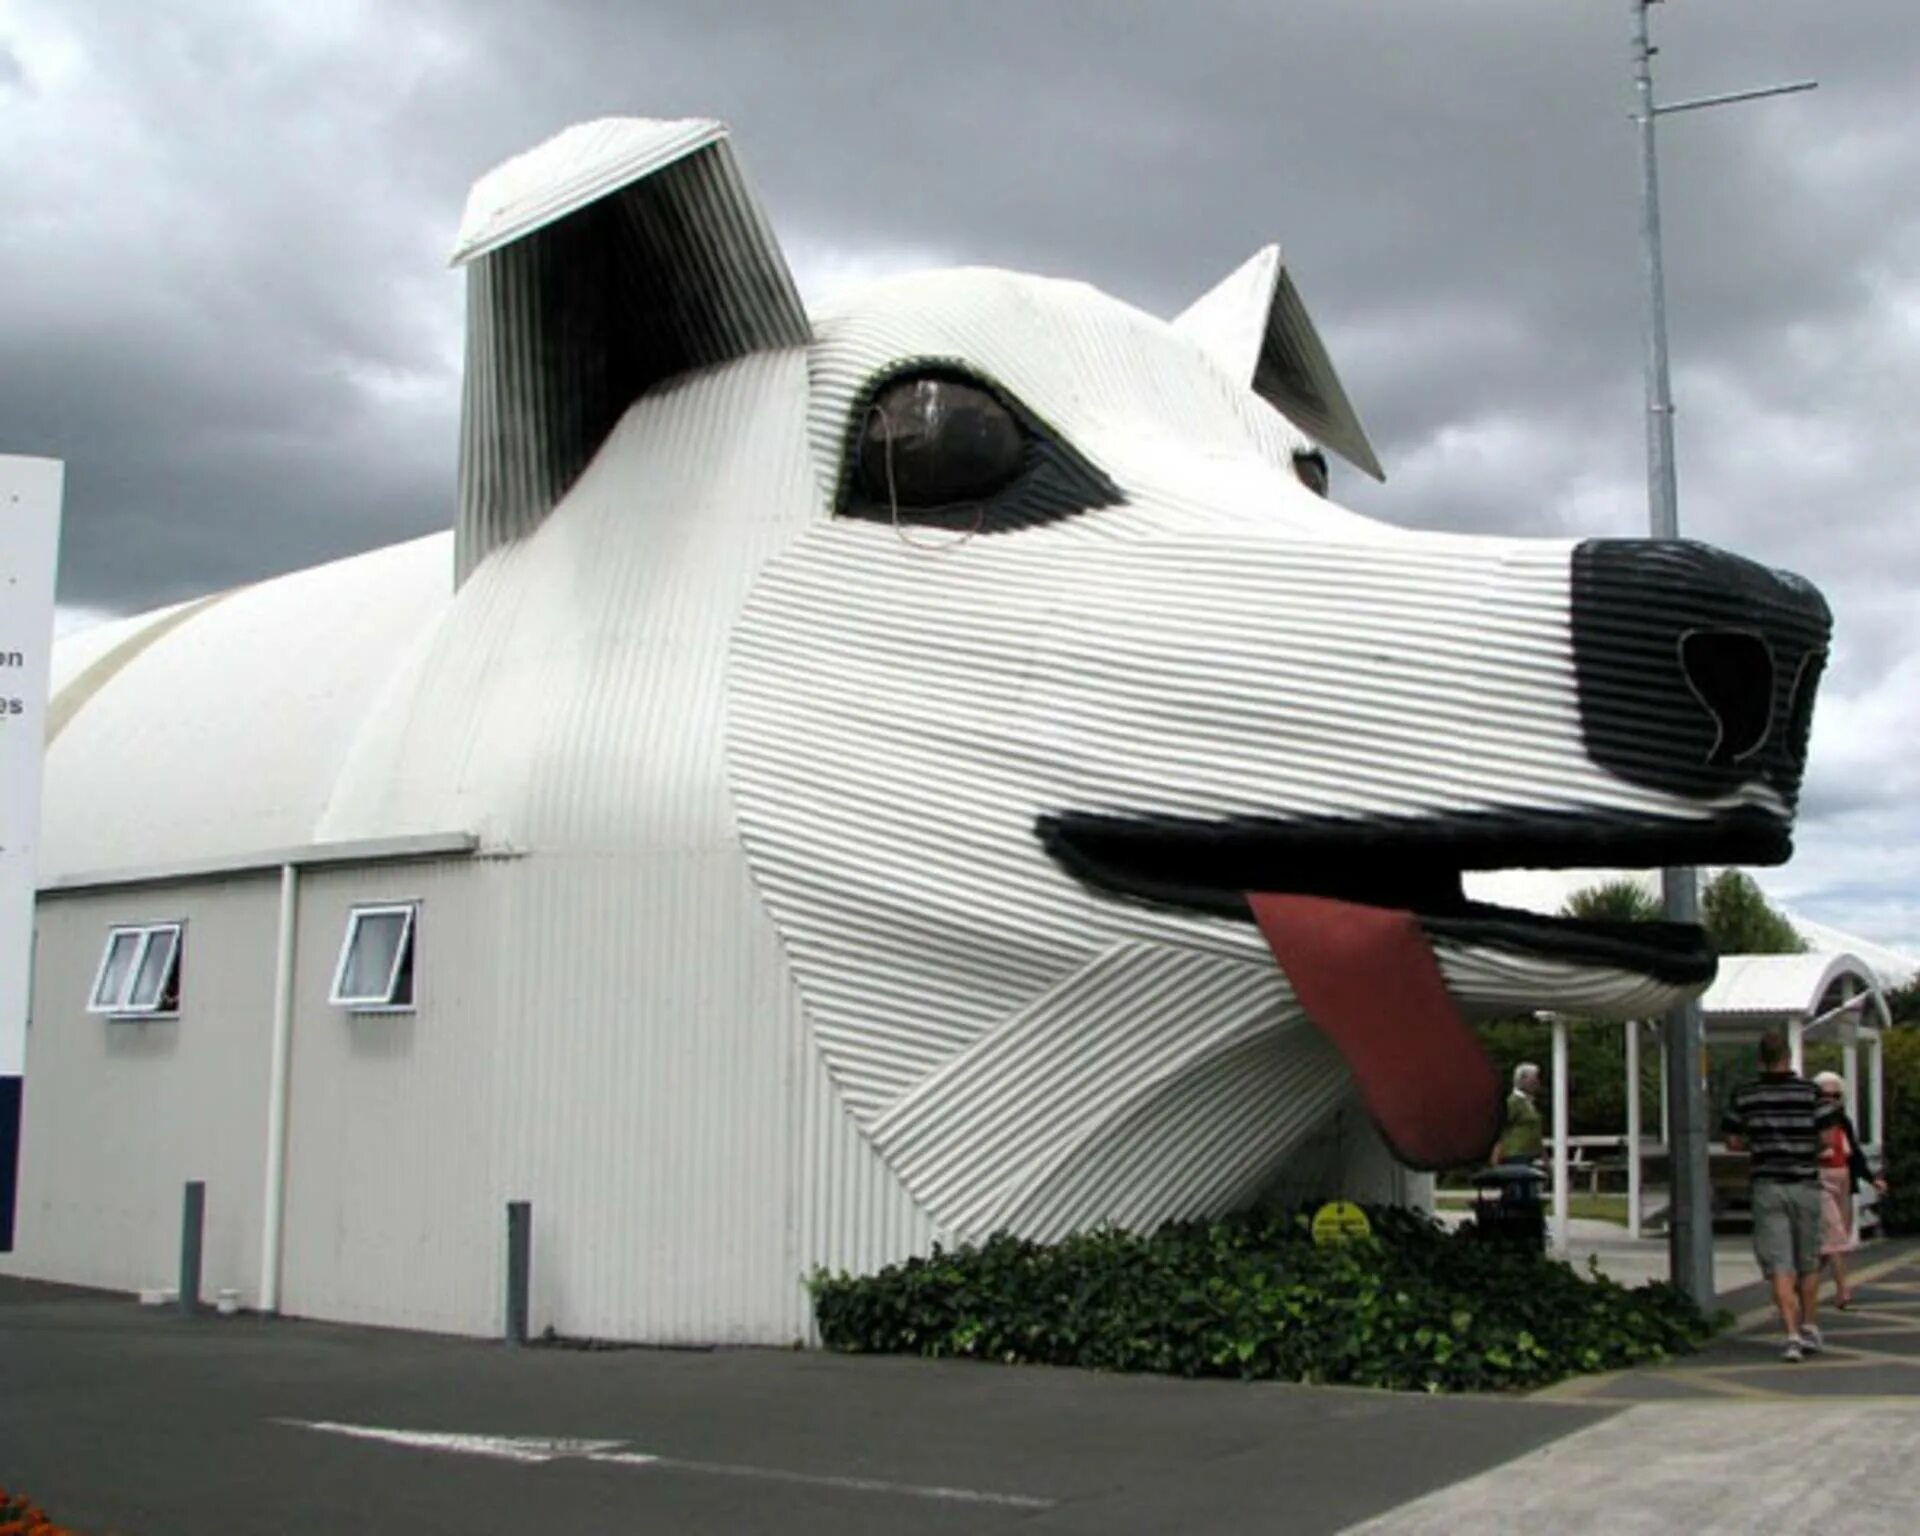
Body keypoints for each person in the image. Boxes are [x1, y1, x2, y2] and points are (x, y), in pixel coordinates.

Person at [1721, 1031, 1842, 1362]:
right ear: (1789, 1058)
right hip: (1804, 1183)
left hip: (1767, 1186)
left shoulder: (1745, 1094)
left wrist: (1755, 1145)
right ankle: (1810, 1325)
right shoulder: (1811, 1093)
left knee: (1779, 1264)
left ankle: (1789, 1334)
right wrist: (1804, 1147)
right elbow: (1828, 1137)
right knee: (1808, 1260)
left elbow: (1732, 1140)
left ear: (1760, 1059)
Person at [1812, 1071, 1888, 1311]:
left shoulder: (1843, 1121)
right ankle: (1842, 1290)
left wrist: (1872, 1179)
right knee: (1834, 1234)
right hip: (1820, 1180)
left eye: (1836, 1095)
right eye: (1825, 1095)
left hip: (1844, 1179)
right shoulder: (1810, 1119)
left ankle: (1804, 1285)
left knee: (1837, 1240)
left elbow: (1854, 1153)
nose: (1830, 1100)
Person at [1493, 1062, 1544, 1166]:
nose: (1537, 1082)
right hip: (1515, 1154)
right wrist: (1496, 1154)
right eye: (1533, 1079)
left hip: (1531, 1154)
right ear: (1523, 1080)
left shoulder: (1529, 1103)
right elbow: (1501, 1127)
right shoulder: (1513, 1102)